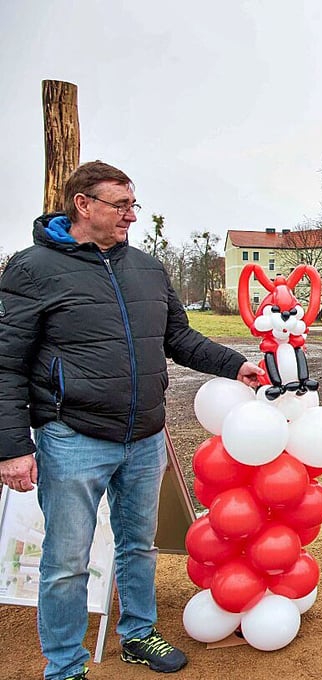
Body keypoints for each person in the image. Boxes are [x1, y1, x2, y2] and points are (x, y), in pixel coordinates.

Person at [0, 161, 264, 680]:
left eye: (133, 205)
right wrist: (12, 446)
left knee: (138, 545)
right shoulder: (31, 269)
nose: (131, 217)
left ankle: (139, 633)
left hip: (144, 438)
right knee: (66, 563)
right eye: (120, 206)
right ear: (83, 204)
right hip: (71, 437)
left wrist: (236, 365)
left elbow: (178, 339)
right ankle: (65, 665)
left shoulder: (146, 267)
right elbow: (6, 362)